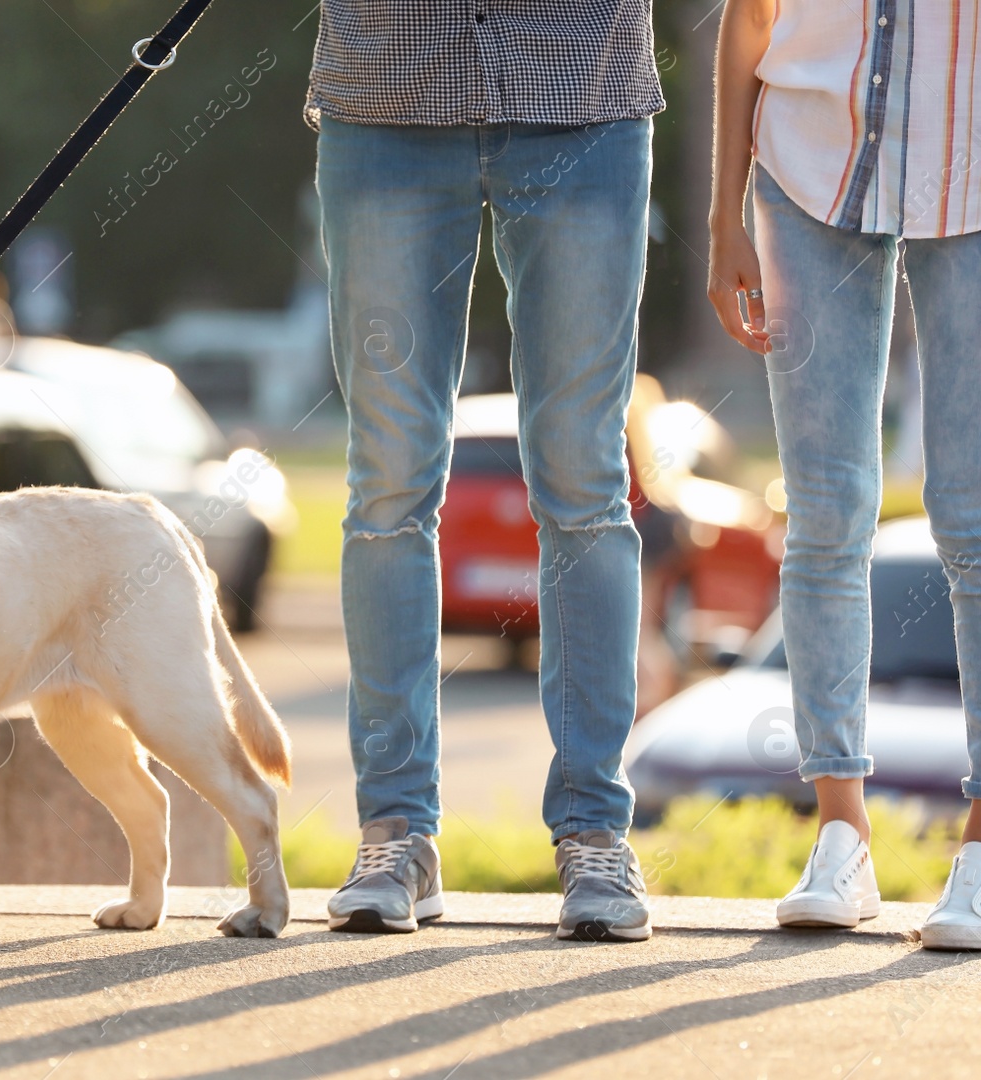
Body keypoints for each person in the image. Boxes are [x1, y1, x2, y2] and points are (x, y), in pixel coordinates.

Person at [308, 3, 664, 940]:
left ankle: (594, 830)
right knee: (388, 482)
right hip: (388, 90)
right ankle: (395, 832)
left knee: (585, 478)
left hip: (580, 89)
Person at [710, 0, 981, 949]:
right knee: (825, 513)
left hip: (972, 155)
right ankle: (840, 834)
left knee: (975, 523)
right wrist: (722, 214)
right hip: (807, 159)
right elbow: (750, 17)